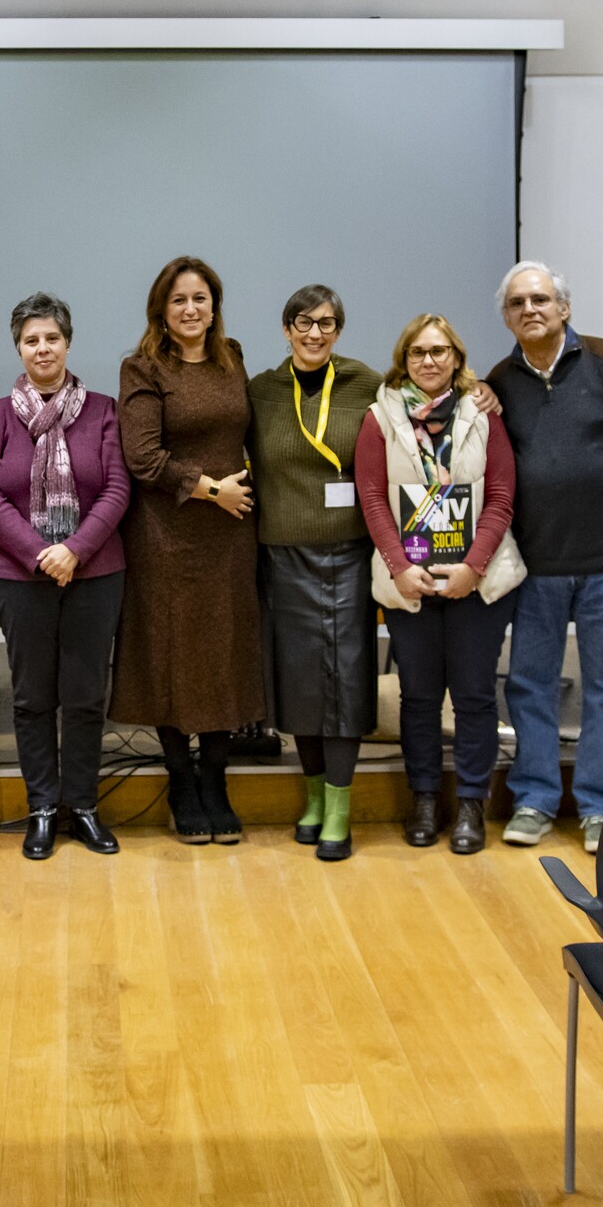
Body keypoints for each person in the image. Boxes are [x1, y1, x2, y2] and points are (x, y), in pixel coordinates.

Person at [485, 262, 603, 854]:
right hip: (537, 563)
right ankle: (534, 798)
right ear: (506, 317)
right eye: (518, 303)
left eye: (541, 299)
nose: (530, 310)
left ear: (564, 308)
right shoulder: (500, 381)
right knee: (529, 685)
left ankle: (600, 807)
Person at [0, 293, 131, 859]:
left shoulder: (104, 411)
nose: (42, 348)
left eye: (52, 338)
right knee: (32, 697)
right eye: (31, 340)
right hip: (18, 577)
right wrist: (43, 552)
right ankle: (42, 807)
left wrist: (76, 551)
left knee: (86, 697)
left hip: (95, 575)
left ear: (68, 342)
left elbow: (116, 488)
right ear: (18, 348)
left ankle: (82, 806)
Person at [357, 313, 523, 855]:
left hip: (477, 578)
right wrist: (401, 566)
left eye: (439, 351)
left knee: (475, 697)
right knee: (420, 697)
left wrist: (472, 567)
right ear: (403, 360)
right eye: (417, 353)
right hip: (410, 581)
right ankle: (425, 800)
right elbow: (373, 497)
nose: (429, 361)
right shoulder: (380, 417)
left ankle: (472, 802)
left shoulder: (482, 412)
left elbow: (500, 496)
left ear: (456, 356)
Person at [110, 257, 261, 844]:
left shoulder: (233, 358)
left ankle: (215, 780)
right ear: (162, 311)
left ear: (214, 306)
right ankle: (180, 780)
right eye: (179, 301)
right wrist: (211, 489)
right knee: (171, 654)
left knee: (225, 651)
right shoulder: (143, 367)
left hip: (231, 534)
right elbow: (142, 457)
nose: (192, 309)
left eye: (201, 298)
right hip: (168, 535)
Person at [247, 284, 383, 862]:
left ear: (339, 330)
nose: (315, 333)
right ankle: (311, 798)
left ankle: (340, 808)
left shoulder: (368, 385)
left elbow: (431, 401)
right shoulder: (260, 392)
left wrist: (481, 393)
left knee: (344, 681)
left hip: (347, 553)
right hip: (282, 554)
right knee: (298, 680)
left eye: (327, 323)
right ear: (285, 329)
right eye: (303, 322)